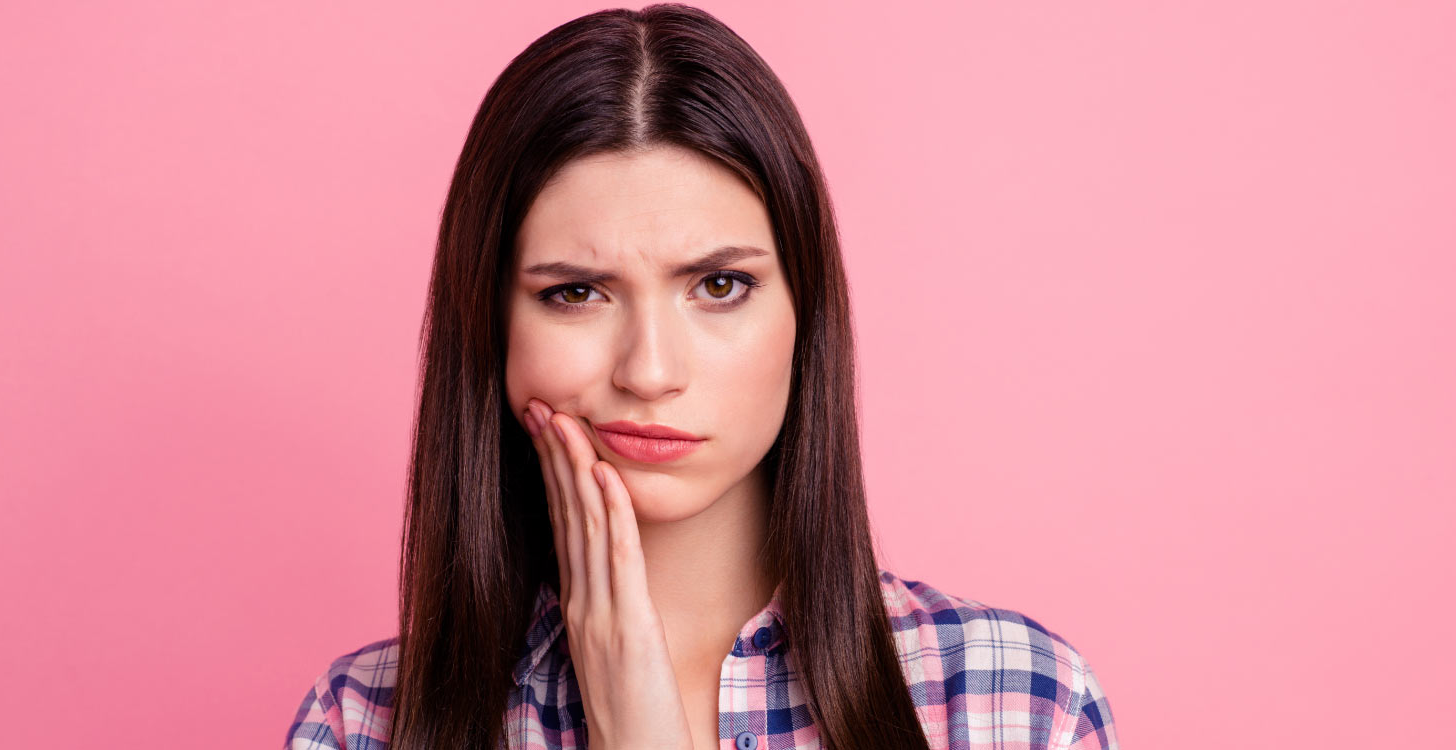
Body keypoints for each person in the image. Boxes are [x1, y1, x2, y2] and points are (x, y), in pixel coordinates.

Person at [284, 4, 1118, 749]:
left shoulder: (1013, 705)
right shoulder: (362, 724)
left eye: (719, 286)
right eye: (576, 292)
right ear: (493, 327)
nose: (649, 371)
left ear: (805, 316)